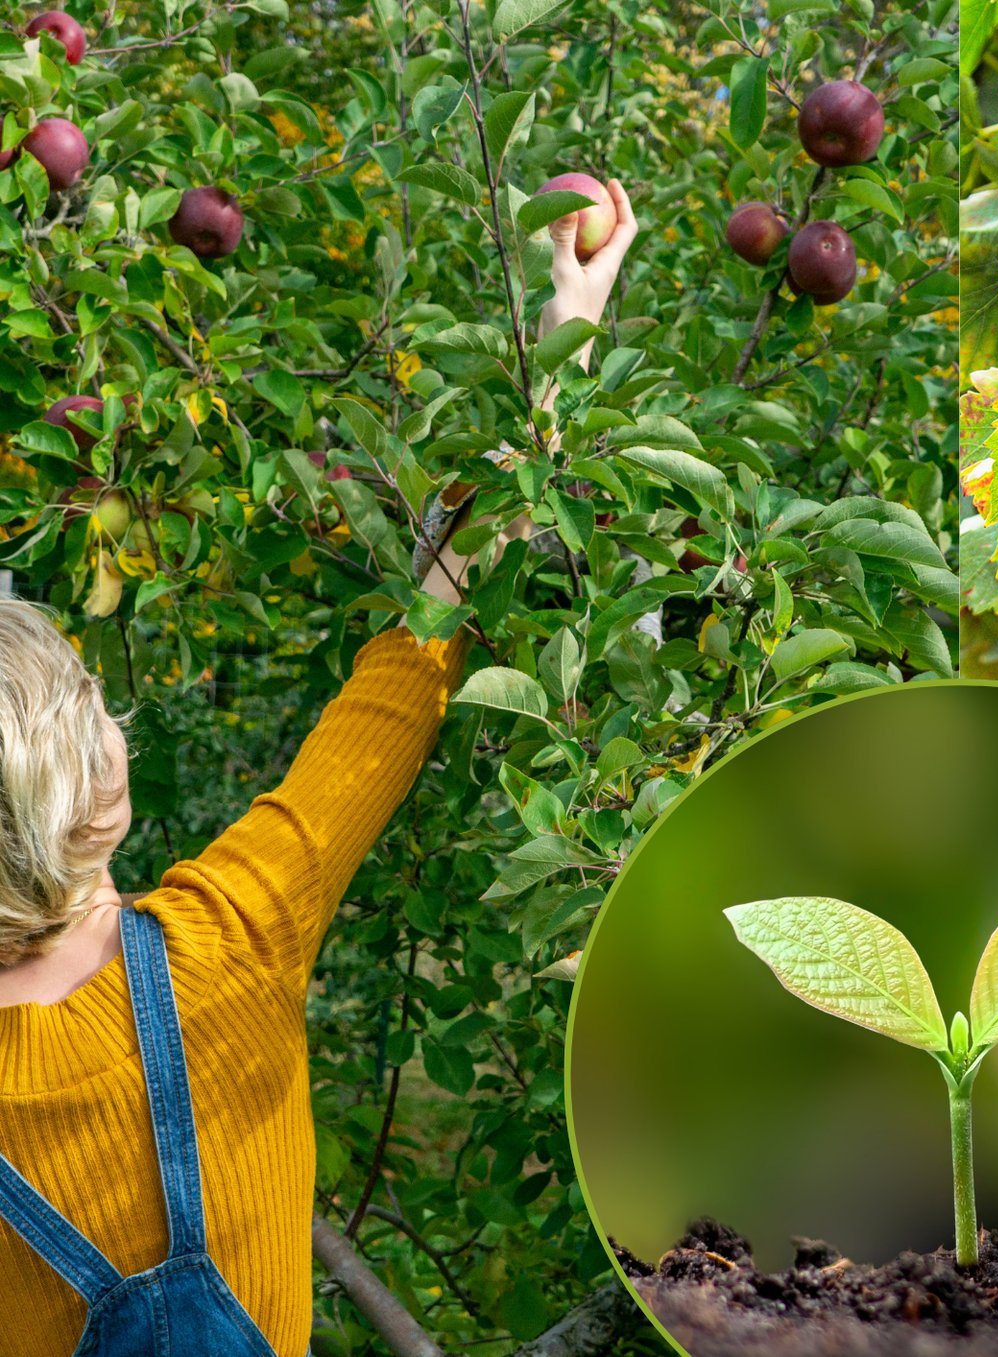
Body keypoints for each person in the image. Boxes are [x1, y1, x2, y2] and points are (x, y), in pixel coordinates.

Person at [0, 182, 639, 1357]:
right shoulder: (230, 941)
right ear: (89, 793)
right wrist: (560, 346)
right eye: (95, 707)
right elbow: (402, 677)